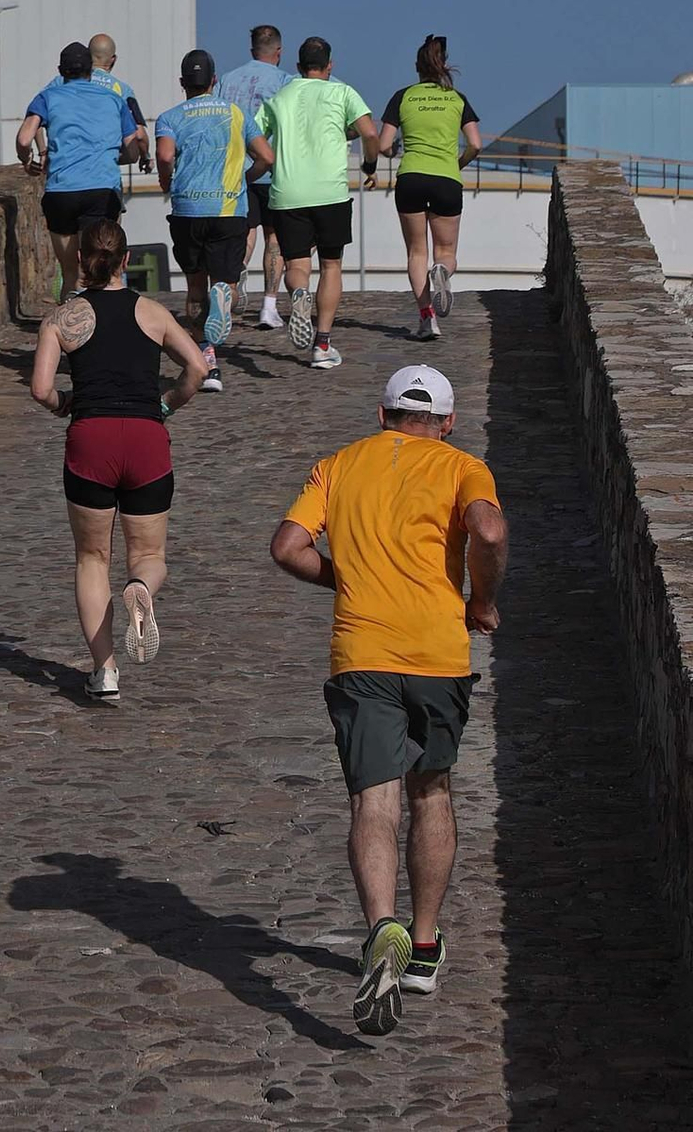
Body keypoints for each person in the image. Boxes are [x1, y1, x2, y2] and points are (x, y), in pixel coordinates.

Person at [270, 364, 508, 1035]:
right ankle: (424, 947)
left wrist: (346, 583)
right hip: (438, 655)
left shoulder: (338, 466)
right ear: (448, 422)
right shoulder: (464, 466)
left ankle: (382, 928)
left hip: (362, 656)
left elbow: (287, 547)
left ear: (382, 416)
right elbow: (488, 534)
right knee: (430, 791)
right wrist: (481, 602)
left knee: (373, 801)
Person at [32, 216, 208, 701]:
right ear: (126, 261)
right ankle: (141, 589)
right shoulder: (152, 313)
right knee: (149, 557)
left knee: (92, 558)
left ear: (79, 262)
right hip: (147, 439)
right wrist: (168, 402)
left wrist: (62, 404)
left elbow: (41, 388)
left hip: (91, 439)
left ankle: (105, 669)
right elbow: (197, 367)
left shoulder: (61, 320)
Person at [247, 35, 378, 371]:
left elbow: (255, 136)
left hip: (287, 193)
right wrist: (370, 165)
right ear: (330, 65)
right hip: (330, 194)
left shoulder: (280, 96)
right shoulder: (343, 92)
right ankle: (322, 345)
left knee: (297, 267)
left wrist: (260, 166)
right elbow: (371, 134)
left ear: (297, 67)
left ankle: (298, 295)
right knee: (332, 265)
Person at [151, 47, 252, 393]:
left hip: (188, 211)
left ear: (183, 83)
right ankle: (224, 294)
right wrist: (247, 178)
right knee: (228, 282)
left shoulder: (169, 117)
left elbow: (165, 155)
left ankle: (208, 361)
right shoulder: (235, 112)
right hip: (228, 210)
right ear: (214, 81)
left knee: (195, 287)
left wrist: (167, 180)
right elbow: (265, 155)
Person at [378, 36, 483, 343]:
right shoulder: (457, 98)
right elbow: (475, 143)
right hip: (446, 178)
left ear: (416, 68)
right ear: (443, 65)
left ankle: (427, 319)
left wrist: (392, 151)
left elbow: (383, 144)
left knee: (415, 251)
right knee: (446, 252)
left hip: (410, 177)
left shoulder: (402, 96)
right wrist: (458, 163)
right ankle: (442, 271)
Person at [18, 42, 140, 298]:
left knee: (71, 272)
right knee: (98, 271)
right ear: (90, 70)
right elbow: (133, 146)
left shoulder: (48, 97)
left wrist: (28, 161)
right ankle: (100, 325)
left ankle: (69, 325)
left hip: (61, 191)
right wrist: (117, 158)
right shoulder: (114, 98)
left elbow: (24, 139)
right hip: (101, 190)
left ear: (60, 70)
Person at [217, 24, 291, 327]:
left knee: (244, 233)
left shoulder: (226, 80)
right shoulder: (286, 81)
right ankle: (269, 307)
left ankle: (235, 280)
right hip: (273, 171)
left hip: (237, 171)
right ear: (279, 52)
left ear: (251, 51)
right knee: (274, 238)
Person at [89, 32, 152, 173]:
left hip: (69, 171)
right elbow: (140, 134)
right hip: (105, 173)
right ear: (113, 59)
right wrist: (145, 156)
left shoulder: (69, 84)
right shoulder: (123, 90)